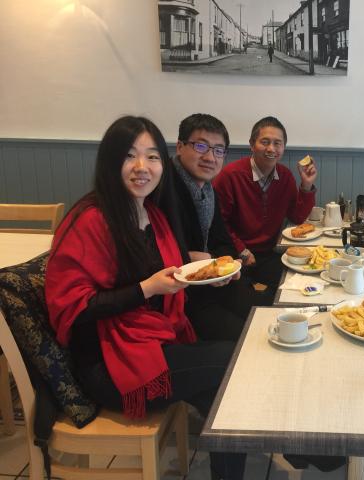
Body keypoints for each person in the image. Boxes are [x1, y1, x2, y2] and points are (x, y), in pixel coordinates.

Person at [45, 116, 244, 479]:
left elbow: (172, 274)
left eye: (152, 156)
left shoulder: (151, 213)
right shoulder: (92, 220)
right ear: (110, 161)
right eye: (129, 155)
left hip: (150, 339)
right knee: (236, 362)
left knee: (228, 395)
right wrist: (147, 288)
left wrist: (207, 276)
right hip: (110, 364)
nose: (142, 167)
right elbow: (76, 308)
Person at [165, 113, 252, 341]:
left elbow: (222, 240)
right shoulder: (163, 188)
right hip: (178, 298)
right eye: (201, 146)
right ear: (180, 147)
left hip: (210, 285)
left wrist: (222, 265)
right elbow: (156, 251)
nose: (210, 157)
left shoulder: (207, 190)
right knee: (245, 338)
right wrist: (188, 257)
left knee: (260, 314)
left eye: (218, 150)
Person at [213, 116, 317, 299]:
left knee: (300, 287)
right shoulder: (230, 175)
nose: (271, 149)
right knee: (246, 301)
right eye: (265, 142)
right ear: (252, 145)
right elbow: (219, 223)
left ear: (283, 148)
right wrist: (241, 250)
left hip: (269, 254)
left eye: (277, 143)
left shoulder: (285, 176)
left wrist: (306, 185)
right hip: (234, 254)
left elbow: (297, 217)